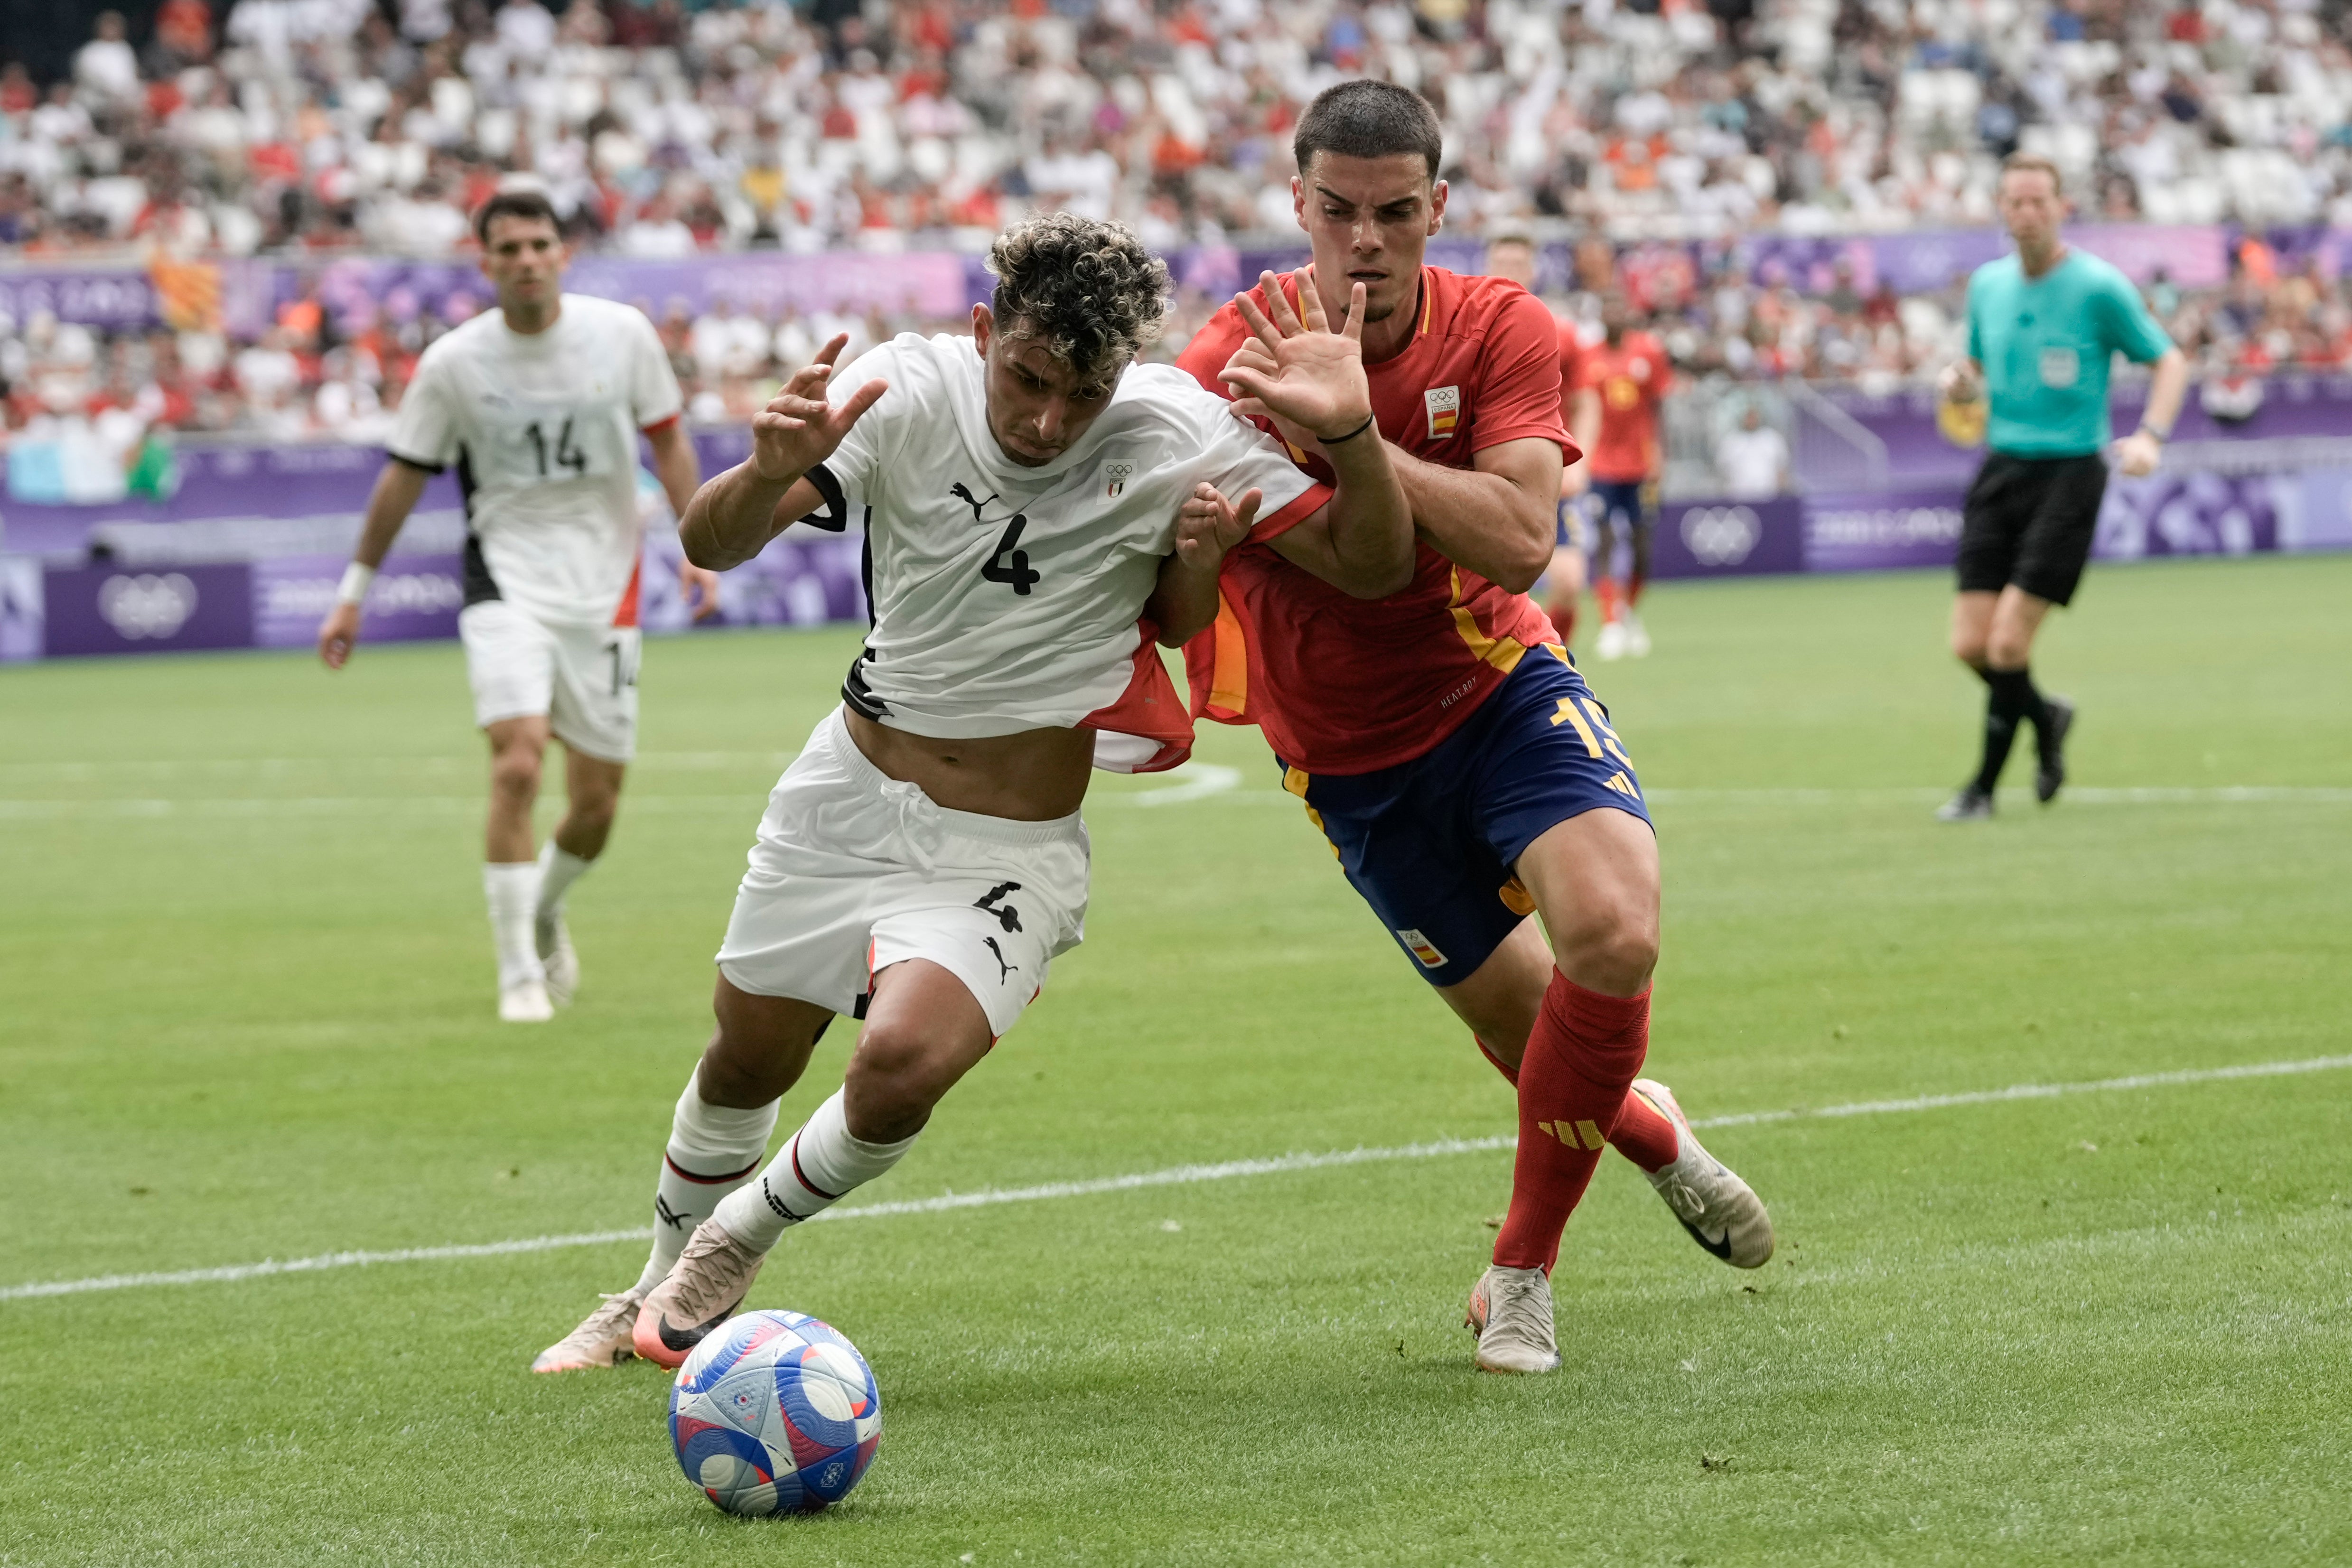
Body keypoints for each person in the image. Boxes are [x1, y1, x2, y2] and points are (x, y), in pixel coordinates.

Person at [530, 213, 1414, 1374]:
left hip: (1005, 843)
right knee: (746, 1060)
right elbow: (715, 543)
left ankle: (735, 1240)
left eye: (1083, 397)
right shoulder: (900, 389)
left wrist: (1349, 437)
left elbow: (1375, 562)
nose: (1049, 423)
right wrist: (766, 472)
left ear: (1126, 378)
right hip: (844, 794)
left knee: (899, 1065)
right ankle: (644, 1284)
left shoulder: (1178, 430)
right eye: (1030, 380)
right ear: (986, 331)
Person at [1176, 81, 1771, 1377]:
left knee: (1611, 934)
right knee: (1536, 1042)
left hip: (1499, 688)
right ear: (1299, 207)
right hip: (1347, 760)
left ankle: (1519, 1275)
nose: (1367, 241)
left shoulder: (1501, 324)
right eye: (1338, 212)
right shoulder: (1228, 361)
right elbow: (1359, 563)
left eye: (1396, 213)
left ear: (1437, 209)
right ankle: (1656, 1137)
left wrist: (1348, 434)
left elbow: (1516, 537)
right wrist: (1339, 435)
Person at [317, 190, 718, 1022]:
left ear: (563, 253)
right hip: (503, 579)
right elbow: (403, 475)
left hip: (606, 588)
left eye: (541, 244)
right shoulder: (454, 363)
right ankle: (516, 976)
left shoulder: (623, 336)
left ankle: (541, 906)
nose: (528, 259)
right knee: (518, 759)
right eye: (510, 248)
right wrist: (353, 592)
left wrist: (696, 541)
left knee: (598, 805)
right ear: (485, 261)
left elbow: (669, 438)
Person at [1933, 153, 2188, 821]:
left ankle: (1982, 790)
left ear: (2061, 207)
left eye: (2039, 201)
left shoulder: (2099, 288)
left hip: (2071, 473)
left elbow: (2169, 360)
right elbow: (1977, 365)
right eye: (2015, 202)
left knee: (2009, 645)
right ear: (2001, 209)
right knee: (1970, 645)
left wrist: (2151, 436)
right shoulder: (1987, 285)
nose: (2027, 213)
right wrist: (1960, 381)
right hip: (2001, 467)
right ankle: (2046, 717)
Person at [1485, 231, 1587, 643]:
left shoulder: (1561, 332)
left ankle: (1554, 658)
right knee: (1502, 589)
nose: (1511, 271)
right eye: (1502, 263)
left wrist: (1586, 461)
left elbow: (1585, 402)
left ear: (1533, 269)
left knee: (1569, 581)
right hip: (1491, 480)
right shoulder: (1473, 330)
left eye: (1518, 263)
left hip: (1552, 477)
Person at [1572, 295, 1672, 660]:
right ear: (1601, 317)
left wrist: (1661, 454)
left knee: (1643, 549)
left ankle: (1627, 611)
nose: (1614, 317)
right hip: (1600, 464)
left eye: (1620, 310)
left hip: (1641, 465)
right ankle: (1611, 623)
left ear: (1628, 315)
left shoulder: (1648, 352)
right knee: (1605, 540)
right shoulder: (1589, 356)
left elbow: (1660, 407)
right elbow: (1581, 406)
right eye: (1608, 311)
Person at [1714, 401, 1790, 500]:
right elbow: (1722, 471)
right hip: (1738, 497)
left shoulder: (1772, 438)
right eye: (1748, 417)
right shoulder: (1731, 441)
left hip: (1768, 496)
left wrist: (1782, 495)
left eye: (1754, 417)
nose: (1751, 420)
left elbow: (1782, 468)